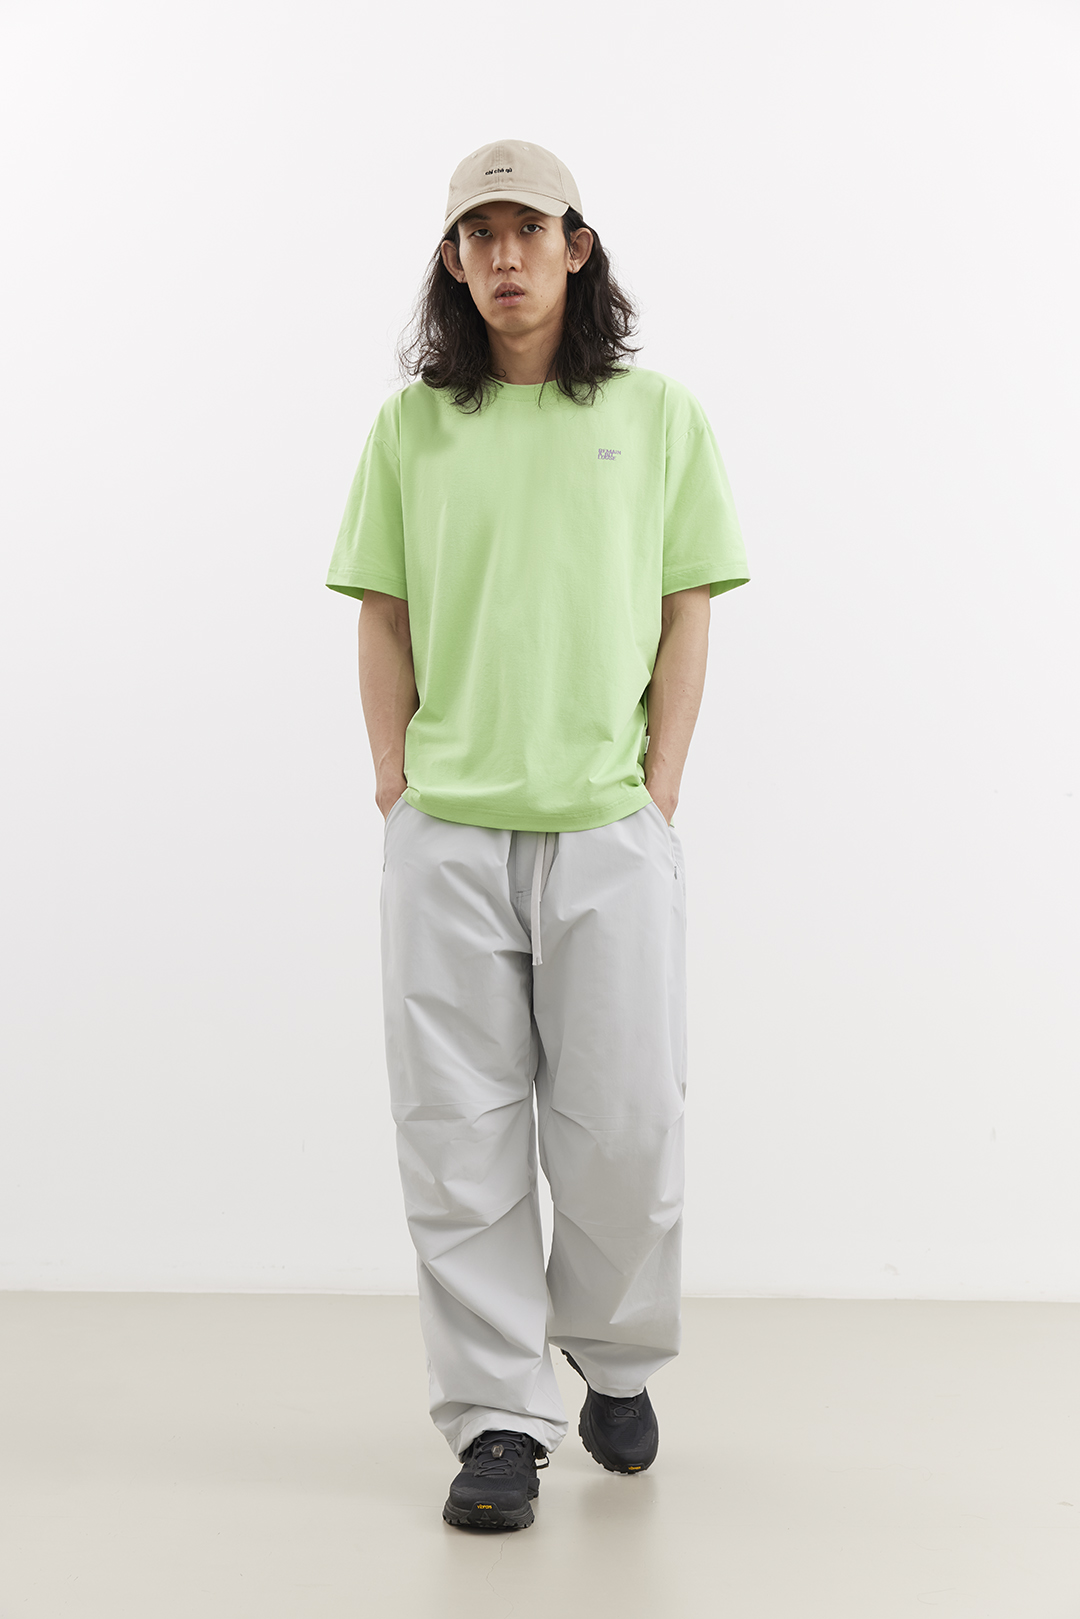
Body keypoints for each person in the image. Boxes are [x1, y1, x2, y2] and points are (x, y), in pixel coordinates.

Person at [325, 139, 748, 1530]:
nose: (505, 256)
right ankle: (498, 1419)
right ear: (453, 262)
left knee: (624, 1124)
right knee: (457, 1134)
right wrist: (394, 781)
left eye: (530, 229)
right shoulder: (413, 428)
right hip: (448, 832)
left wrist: (661, 782)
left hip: (608, 825)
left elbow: (688, 602)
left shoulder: (658, 413)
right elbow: (382, 609)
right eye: (479, 234)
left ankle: (614, 1358)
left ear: (578, 246)